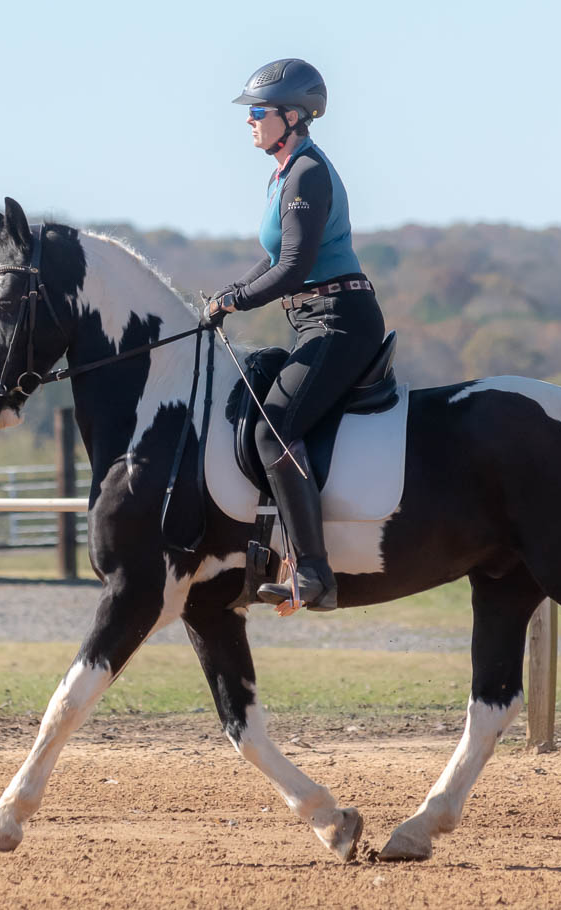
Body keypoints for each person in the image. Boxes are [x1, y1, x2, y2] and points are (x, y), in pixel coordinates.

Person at [205, 58, 386, 612]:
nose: (249, 121)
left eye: (258, 112)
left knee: (272, 431)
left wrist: (237, 299)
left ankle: (313, 573)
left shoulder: (307, 173)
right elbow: (272, 260)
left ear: (293, 115)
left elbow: (294, 265)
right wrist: (228, 293)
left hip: (341, 319)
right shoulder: (282, 173)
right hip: (312, 318)